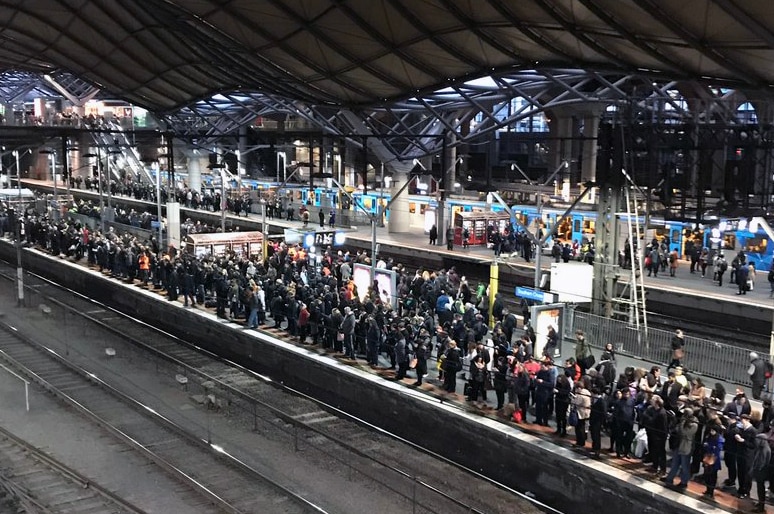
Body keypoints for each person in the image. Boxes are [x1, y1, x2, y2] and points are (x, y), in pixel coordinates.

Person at [662, 407, 698, 490]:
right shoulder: (683, 421)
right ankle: (670, 478)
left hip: (686, 447)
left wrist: (682, 423)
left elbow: (685, 433)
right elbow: (676, 430)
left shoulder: (694, 424)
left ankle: (684, 482)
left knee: (685, 465)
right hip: (678, 445)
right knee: (675, 463)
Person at [701, 422, 724, 498]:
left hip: (714, 460)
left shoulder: (719, 439)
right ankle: (708, 490)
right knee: (707, 475)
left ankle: (711, 491)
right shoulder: (709, 437)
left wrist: (709, 446)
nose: (712, 432)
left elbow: (717, 448)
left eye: (713, 431)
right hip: (707, 457)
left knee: (712, 476)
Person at [752, 432, 772, 512]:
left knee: (761, 489)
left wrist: (755, 470)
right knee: (759, 489)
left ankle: (761, 507)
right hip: (760, 472)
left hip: (761, 472)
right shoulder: (762, 448)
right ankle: (760, 503)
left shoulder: (765, 449)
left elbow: (762, 462)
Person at [572, 382, 591, 449]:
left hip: (581, 413)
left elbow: (576, 402)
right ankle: (581, 442)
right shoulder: (586, 392)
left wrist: (573, 398)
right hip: (586, 412)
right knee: (582, 427)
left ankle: (580, 442)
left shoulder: (580, 395)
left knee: (579, 428)